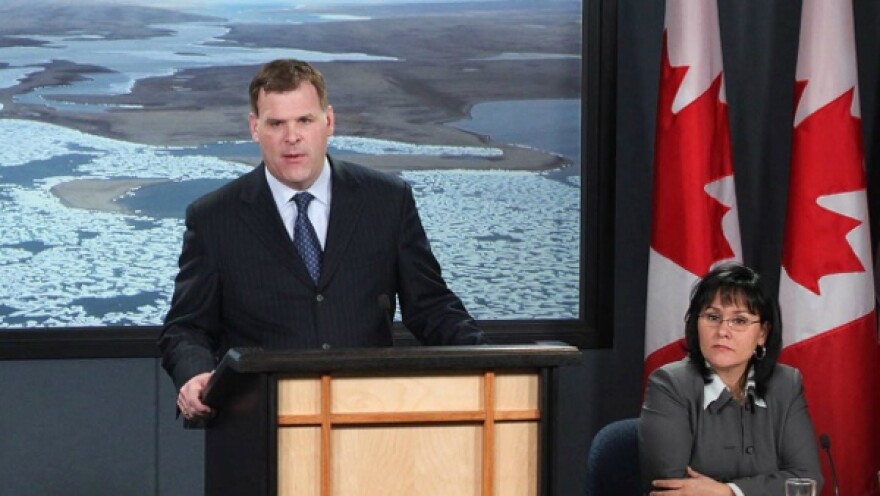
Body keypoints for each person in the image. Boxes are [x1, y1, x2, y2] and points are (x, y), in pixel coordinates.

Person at [159, 59, 486, 421]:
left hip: (368, 417)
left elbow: (430, 307)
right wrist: (193, 375)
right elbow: (187, 327)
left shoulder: (386, 201)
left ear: (328, 122)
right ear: (255, 128)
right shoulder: (214, 218)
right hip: (260, 424)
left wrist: (492, 363)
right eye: (276, 123)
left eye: (304, 120)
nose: (292, 137)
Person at [639, 263, 823, 495]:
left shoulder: (785, 384)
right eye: (713, 316)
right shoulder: (669, 385)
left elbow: (805, 479)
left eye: (740, 320)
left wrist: (729, 492)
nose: (723, 330)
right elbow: (672, 488)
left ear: (763, 334)